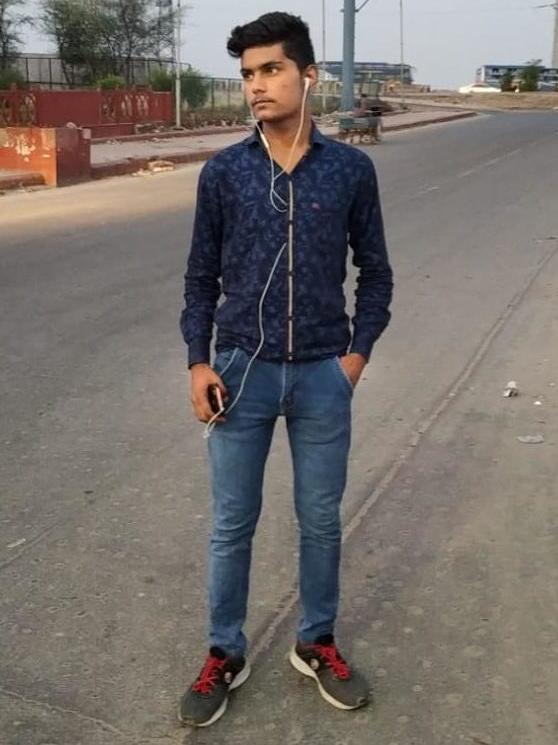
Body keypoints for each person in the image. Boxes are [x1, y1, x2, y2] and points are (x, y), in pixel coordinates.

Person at [178, 12, 393, 728]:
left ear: (308, 75)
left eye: (270, 70)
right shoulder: (226, 173)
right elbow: (200, 278)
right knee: (231, 524)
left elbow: (376, 273)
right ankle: (224, 652)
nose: (257, 86)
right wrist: (198, 362)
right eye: (247, 74)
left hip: (323, 376)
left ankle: (316, 642)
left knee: (321, 521)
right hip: (240, 372)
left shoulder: (350, 170)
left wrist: (354, 359)